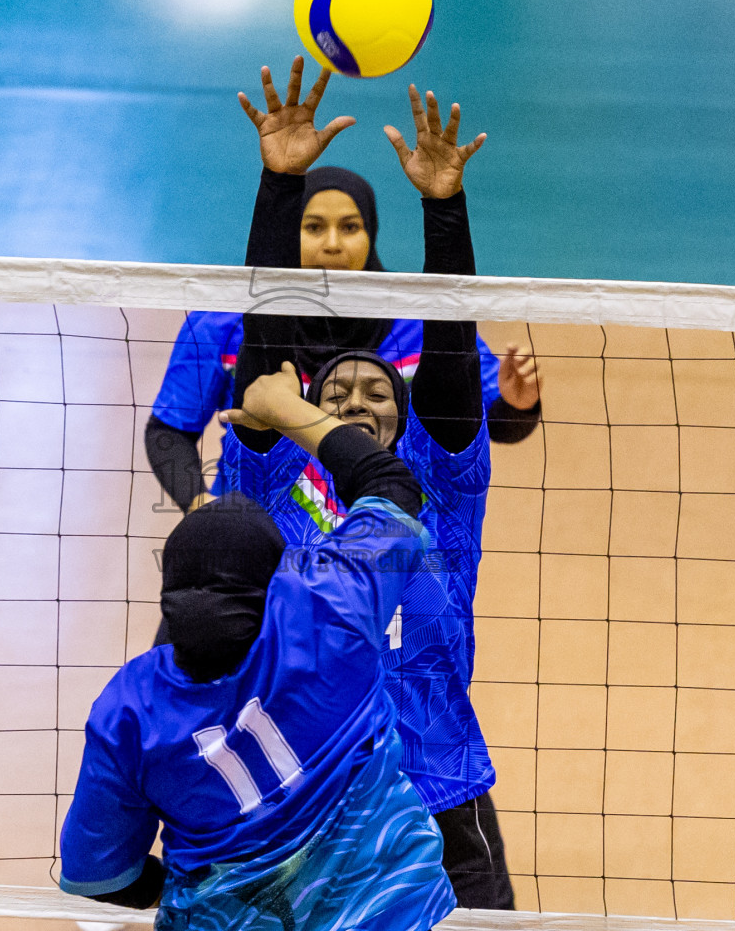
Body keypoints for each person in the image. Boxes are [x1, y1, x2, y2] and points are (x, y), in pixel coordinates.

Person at [220, 58, 516, 909]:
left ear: (406, 412)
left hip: (436, 784)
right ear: (306, 405)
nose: (355, 398)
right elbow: (268, 322)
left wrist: (443, 205)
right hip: (307, 786)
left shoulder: (442, 481)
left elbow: (452, 347)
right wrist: (280, 186)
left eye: (378, 390)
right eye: (336, 391)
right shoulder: (283, 477)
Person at [58, 362, 456, 931]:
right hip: (392, 913)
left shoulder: (129, 708)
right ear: (275, 586)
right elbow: (392, 488)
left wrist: (168, 888)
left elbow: (101, 877)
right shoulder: (327, 610)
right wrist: (287, 407)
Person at [145, 89, 542, 515]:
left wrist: (518, 404)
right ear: (290, 232)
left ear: (371, 232)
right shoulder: (223, 324)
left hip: (385, 526)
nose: (332, 244)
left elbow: (475, 427)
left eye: (349, 227)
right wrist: (199, 503)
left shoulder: (418, 322)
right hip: (264, 530)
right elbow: (168, 430)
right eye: (313, 227)